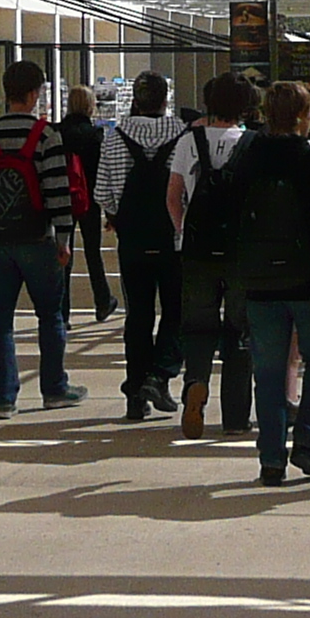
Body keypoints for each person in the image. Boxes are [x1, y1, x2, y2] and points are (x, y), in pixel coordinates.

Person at [0, 60, 92, 414]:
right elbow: (58, 192)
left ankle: (4, 398)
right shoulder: (46, 135)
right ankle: (54, 388)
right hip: (38, 238)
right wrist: (64, 239)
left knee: (1, 320)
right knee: (50, 315)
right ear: (33, 94)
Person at [231, 83, 310, 487]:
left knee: (269, 372)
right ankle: (308, 443)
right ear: (301, 116)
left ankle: (271, 458)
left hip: (260, 281)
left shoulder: (248, 156)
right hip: (308, 279)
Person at [169, 72, 257, 439]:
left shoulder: (190, 141)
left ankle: (196, 383)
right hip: (240, 250)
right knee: (239, 330)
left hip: (198, 247)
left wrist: (180, 231)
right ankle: (236, 416)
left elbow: (174, 195)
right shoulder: (253, 143)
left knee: (198, 325)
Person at [96, 72, 187, 419]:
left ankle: (135, 393)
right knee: (175, 310)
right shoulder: (182, 135)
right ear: (165, 99)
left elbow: (103, 192)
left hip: (132, 240)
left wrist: (116, 215)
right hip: (172, 238)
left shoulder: (114, 137)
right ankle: (161, 374)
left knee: (139, 316)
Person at [60, 84, 118, 325]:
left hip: (61, 199)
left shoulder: (57, 132)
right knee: (93, 252)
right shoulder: (95, 135)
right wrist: (110, 208)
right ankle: (102, 300)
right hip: (90, 200)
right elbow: (103, 171)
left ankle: (62, 313)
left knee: (63, 254)